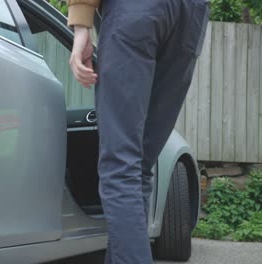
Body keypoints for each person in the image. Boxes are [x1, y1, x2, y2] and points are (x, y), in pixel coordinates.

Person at [67, 0, 210, 263]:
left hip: (135, 10)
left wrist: (81, 24)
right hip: (191, 14)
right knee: (139, 166)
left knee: (121, 167)